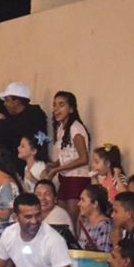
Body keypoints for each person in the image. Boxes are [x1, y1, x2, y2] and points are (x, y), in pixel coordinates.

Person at [46, 91, 90, 226]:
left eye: (61, 105)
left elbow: (83, 158)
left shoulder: (75, 128)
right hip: (65, 178)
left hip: (76, 179)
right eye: (54, 105)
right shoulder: (61, 128)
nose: (56, 109)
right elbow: (68, 156)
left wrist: (57, 169)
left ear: (71, 109)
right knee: (63, 221)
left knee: (72, 221)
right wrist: (54, 165)